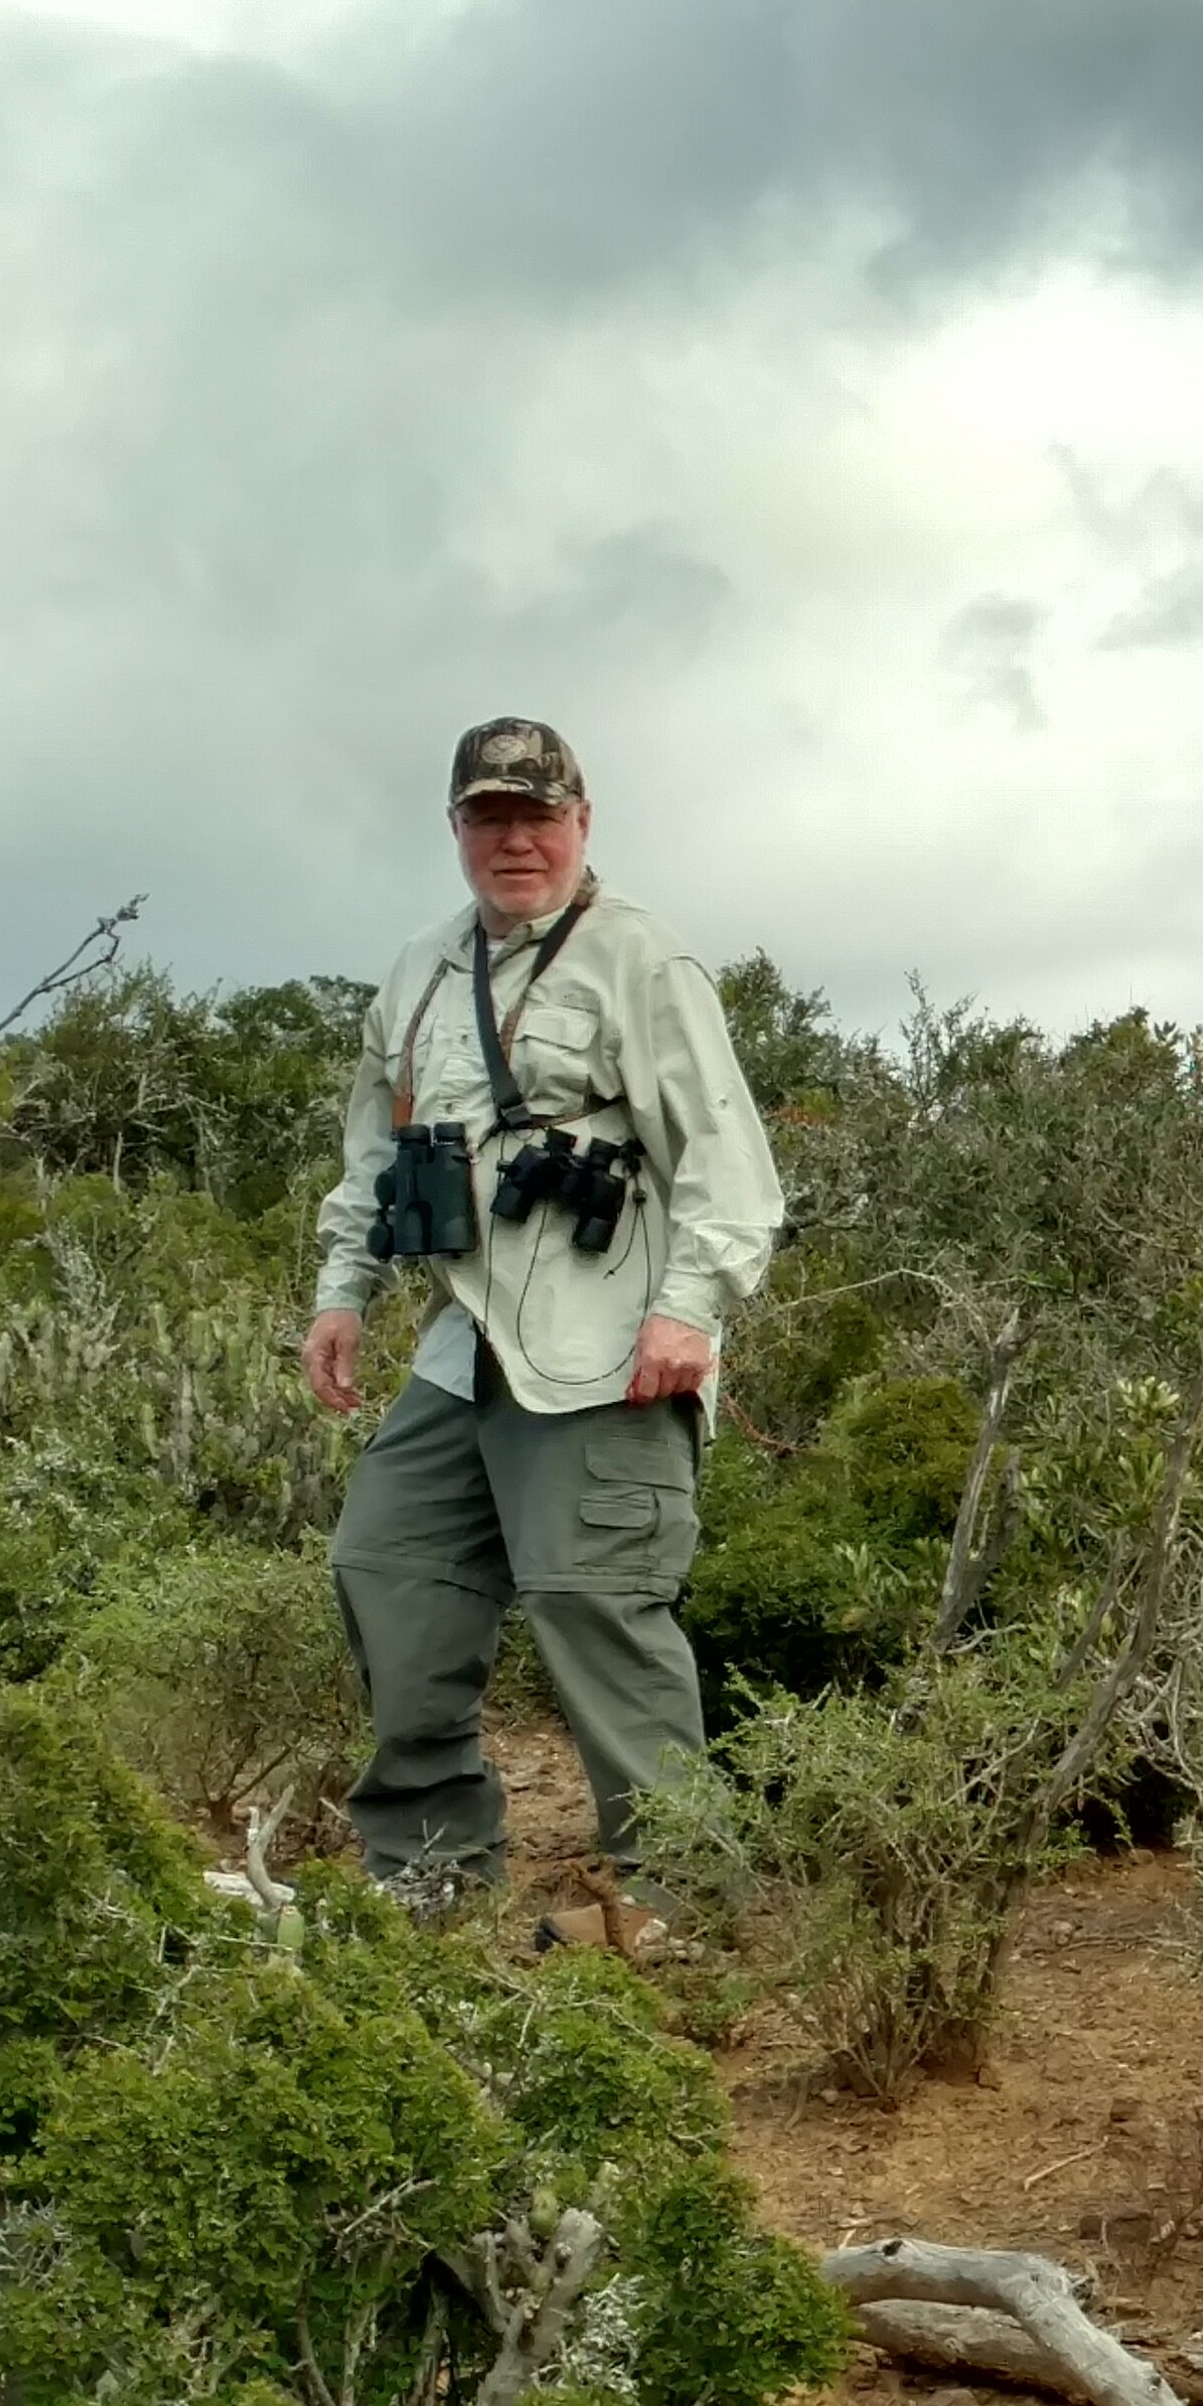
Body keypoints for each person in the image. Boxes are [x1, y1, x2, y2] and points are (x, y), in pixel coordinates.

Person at [302, 717, 786, 1905]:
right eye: (489, 817)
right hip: (464, 1345)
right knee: (388, 1564)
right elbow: (377, 1149)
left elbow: (729, 1166)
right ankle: (431, 1874)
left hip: (609, 1347)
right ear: (458, 828)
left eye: (538, 815)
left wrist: (690, 1312)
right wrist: (342, 1292)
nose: (516, 840)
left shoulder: (641, 959)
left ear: (582, 822)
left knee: (596, 1607)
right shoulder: (419, 968)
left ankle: (678, 1906)